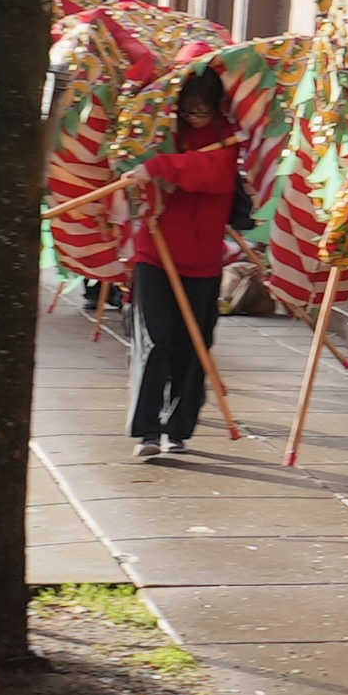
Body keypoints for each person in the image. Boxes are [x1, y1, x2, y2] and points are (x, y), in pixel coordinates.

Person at [127, 67, 243, 462]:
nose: (195, 114)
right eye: (189, 108)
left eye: (202, 107)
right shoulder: (160, 130)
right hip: (155, 253)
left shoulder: (228, 137)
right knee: (156, 342)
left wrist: (163, 169)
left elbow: (214, 175)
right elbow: (139, 158)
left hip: (202, 262)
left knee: (194, 348)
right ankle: (145, 428)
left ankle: (177, 428)